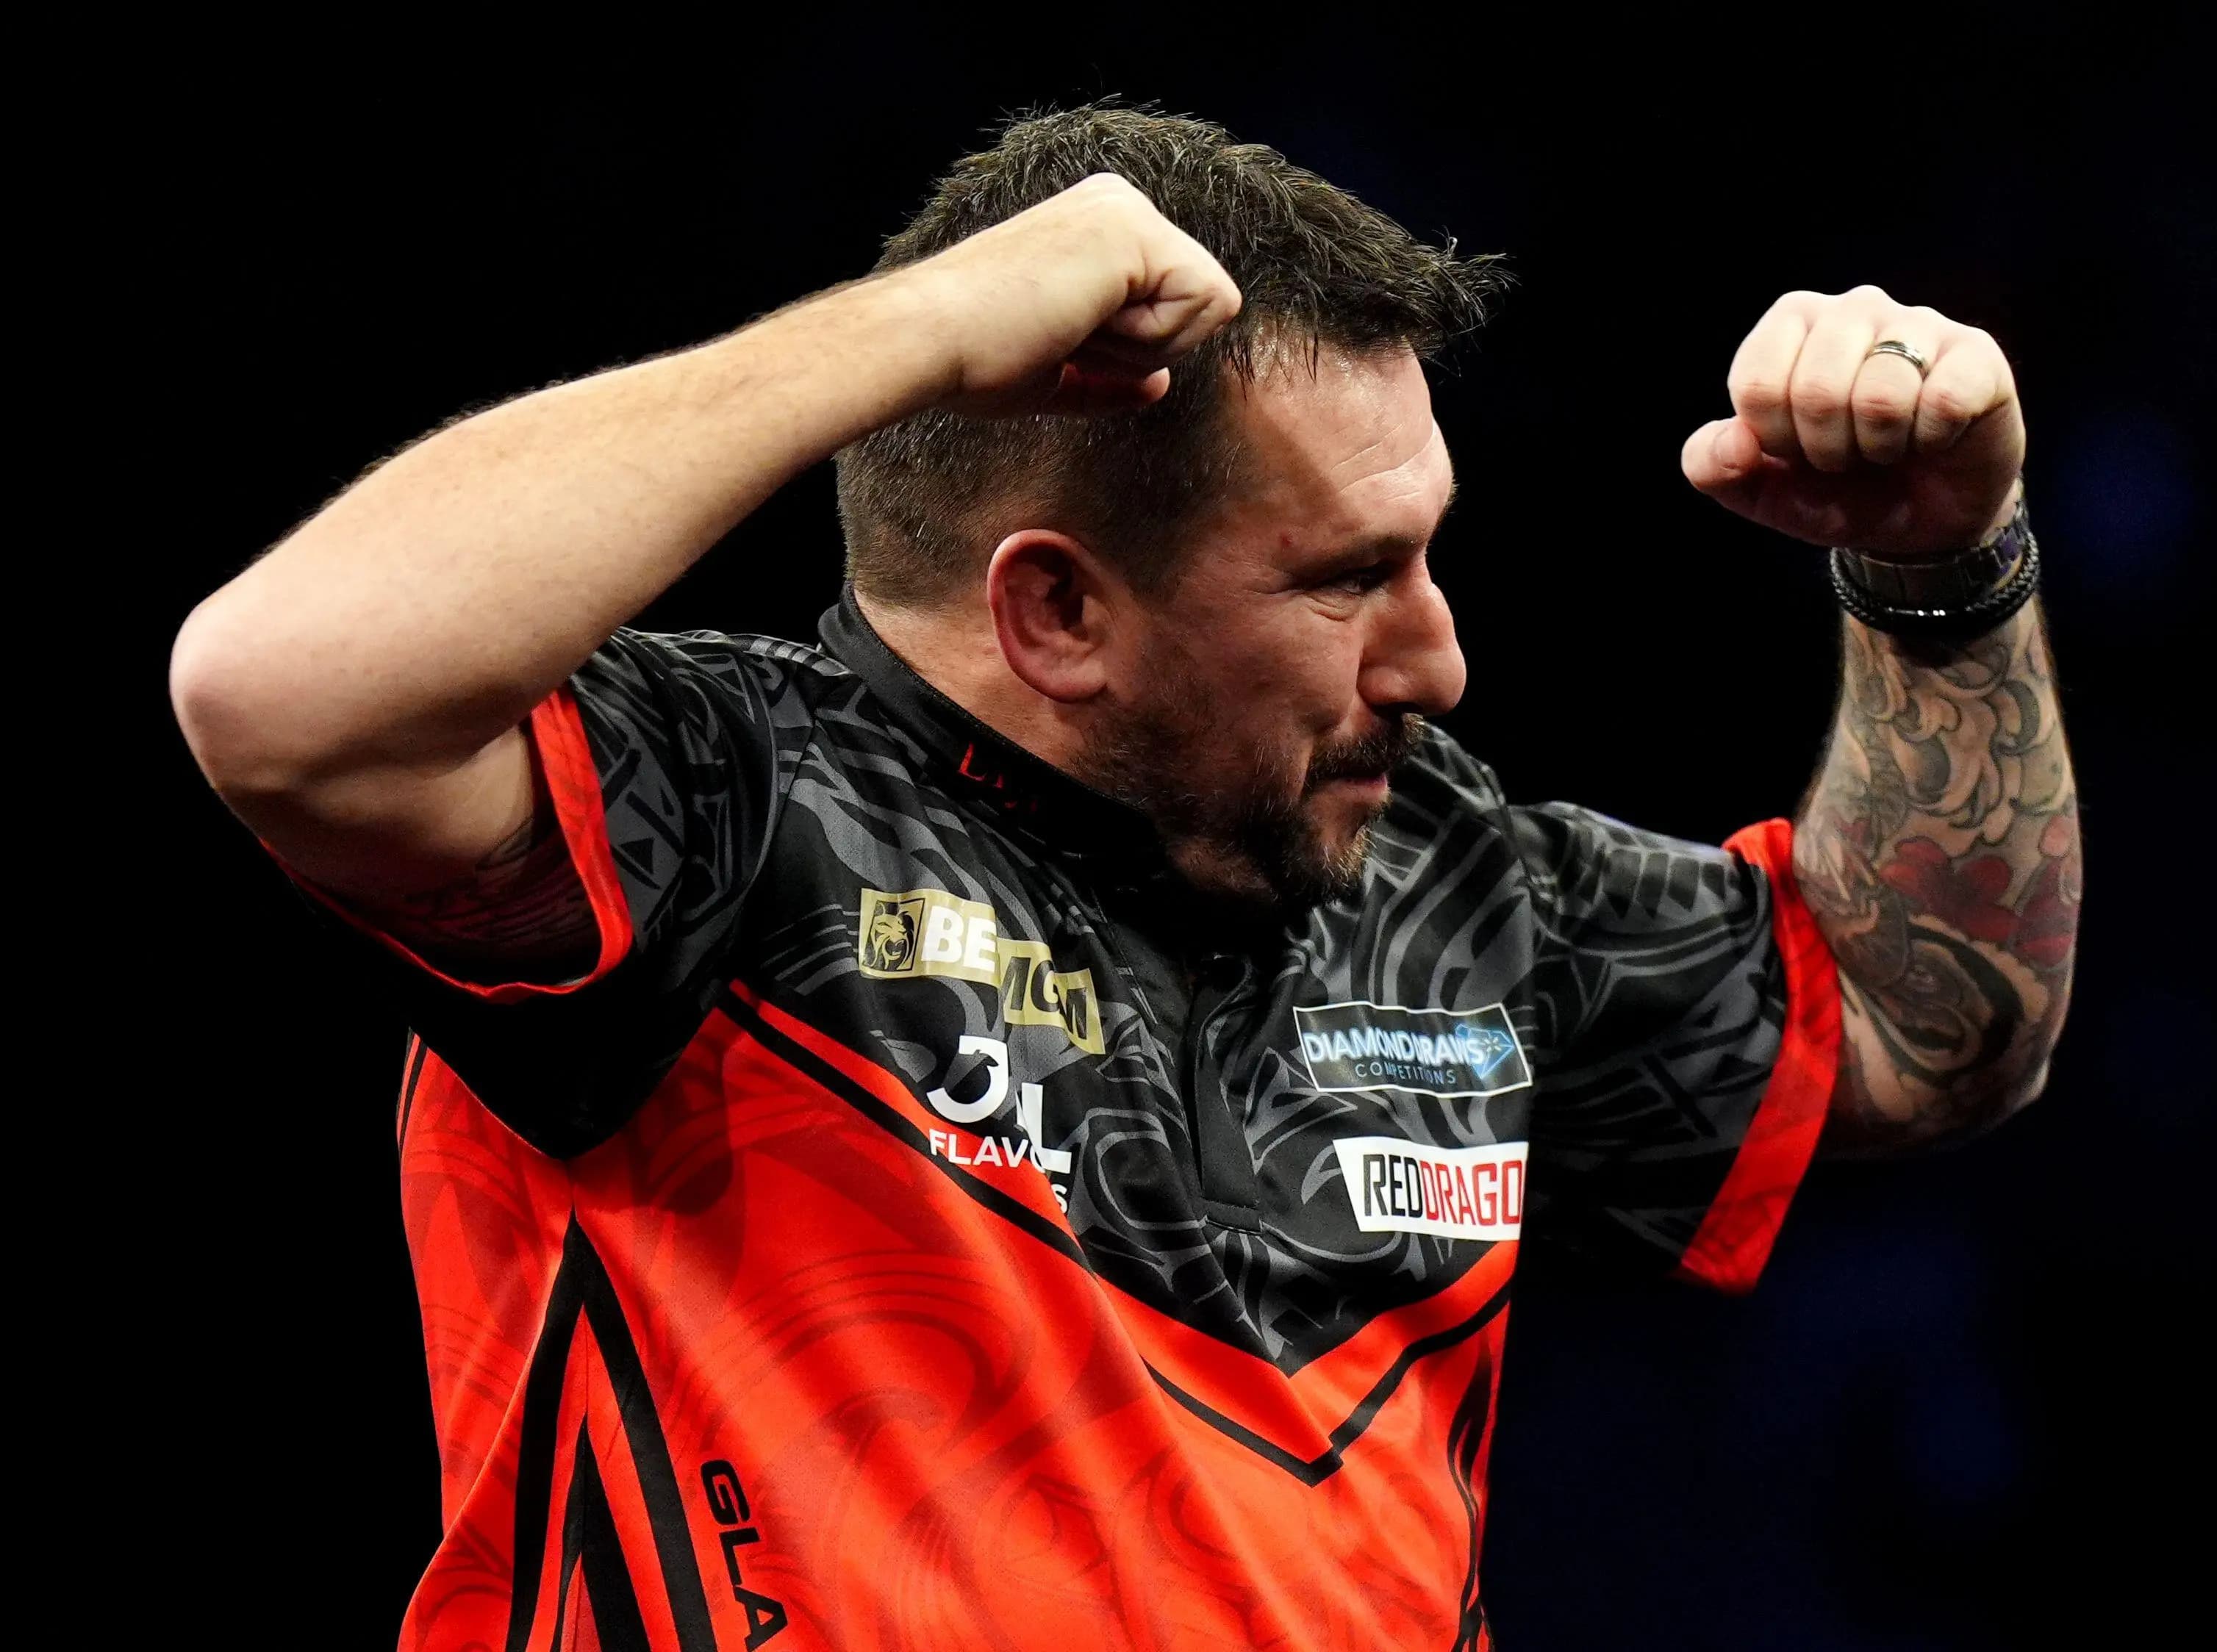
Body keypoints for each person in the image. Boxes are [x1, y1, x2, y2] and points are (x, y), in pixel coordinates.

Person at [171, 104, 2080, 1652]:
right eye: (1349, 579)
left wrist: (1944, 569)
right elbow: (281, 693)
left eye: (1426, 556)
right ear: (1059, 613)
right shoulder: (722, 812)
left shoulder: (1442, 876)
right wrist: (910, 331)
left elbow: (1931, 1028)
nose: (1439, 660)